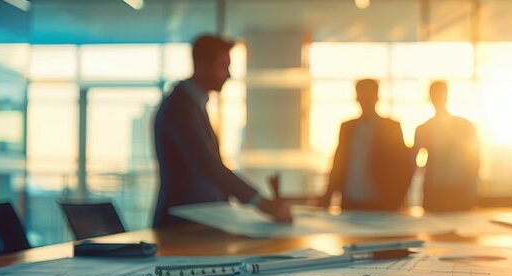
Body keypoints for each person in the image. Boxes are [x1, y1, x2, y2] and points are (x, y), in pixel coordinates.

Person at [152, 34, 291, 228]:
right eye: (223, 66)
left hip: (196, 222)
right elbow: (206, 164)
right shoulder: (180, 107)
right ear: (201, 65)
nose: (228, 74)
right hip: (181, 224)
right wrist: (261, 203)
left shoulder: (194, 105)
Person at [319, 79, 414, 211]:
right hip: (350, 202)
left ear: (376, 98)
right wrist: (327, 197)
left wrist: (396, 199)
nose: (365, 100)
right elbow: (339, 163)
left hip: (382, 203)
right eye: (362, 95)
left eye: (368, 96)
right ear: (357, 98)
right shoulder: (347, 127)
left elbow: (404, 166)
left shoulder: (391, 127)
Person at [413, 81, 480, 212]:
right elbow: (412, 163)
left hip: (459, 190)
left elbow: (474, 160)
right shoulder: (423, 129)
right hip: (434, 191)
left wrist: (472, 190)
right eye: (435, 95)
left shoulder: (464, 126)